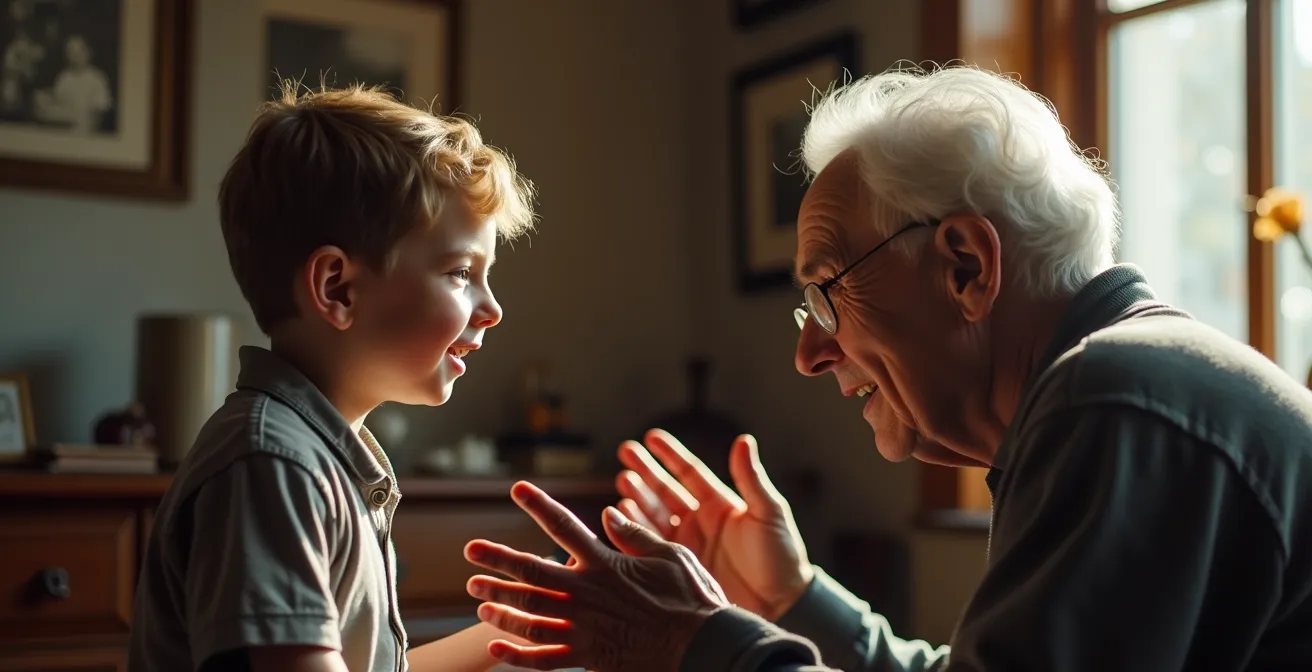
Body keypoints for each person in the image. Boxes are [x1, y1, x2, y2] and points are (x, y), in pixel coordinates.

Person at [461, 65, 1312, 671]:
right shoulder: (1127, 383)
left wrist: (697, 645)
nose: (808, 354)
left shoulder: (1118, 399)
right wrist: (794, 598)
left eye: (828, 293)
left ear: (966, 267)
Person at [127, 82, 536, 672]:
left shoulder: (317, 456)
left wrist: (530, 621)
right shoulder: (272, 465)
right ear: (337, 288)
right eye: (460, 273)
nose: (492, 308)